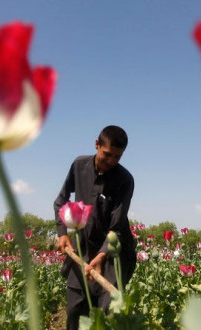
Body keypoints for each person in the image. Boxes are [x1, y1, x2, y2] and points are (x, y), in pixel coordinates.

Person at [53, 125, 136, 329]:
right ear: (97, 144)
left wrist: (101, 256)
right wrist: (62, 233)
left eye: (117, 157)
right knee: (75, 312)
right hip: (82, 249)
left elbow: (115, 228)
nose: (111, 162)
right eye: (107, 155)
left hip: (111, 254)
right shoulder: (79, 165)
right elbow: (61, 201)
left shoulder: (124, 180)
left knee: (106, 316)